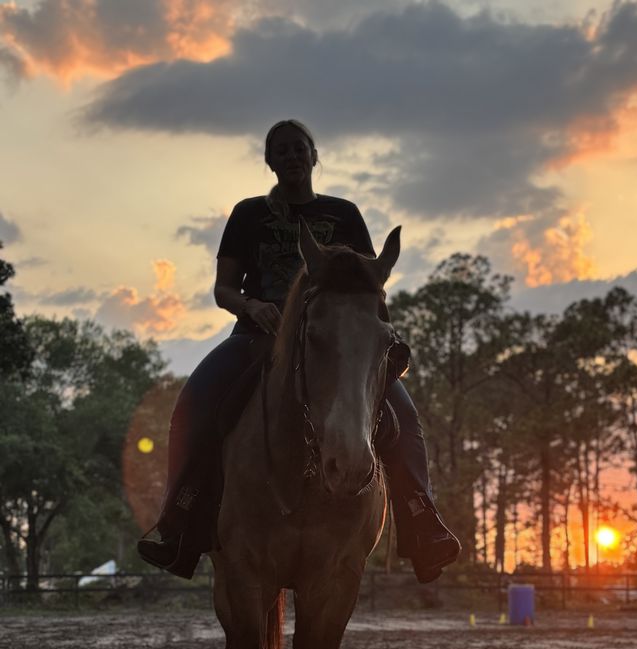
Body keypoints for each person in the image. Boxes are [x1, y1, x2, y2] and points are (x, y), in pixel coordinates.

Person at [137, 119, 460, 583]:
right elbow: (223, 289)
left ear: (314, 156)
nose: (291, 156)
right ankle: (178, 522)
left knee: (402, 414)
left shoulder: (344, 212)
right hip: (256, 338)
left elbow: (367, 283)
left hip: (331, 342)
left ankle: (421, 522)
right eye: (281, 150)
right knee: (197, 400)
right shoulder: (248, 215)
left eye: (298, 148)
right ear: (270, 162)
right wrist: (252, 305)